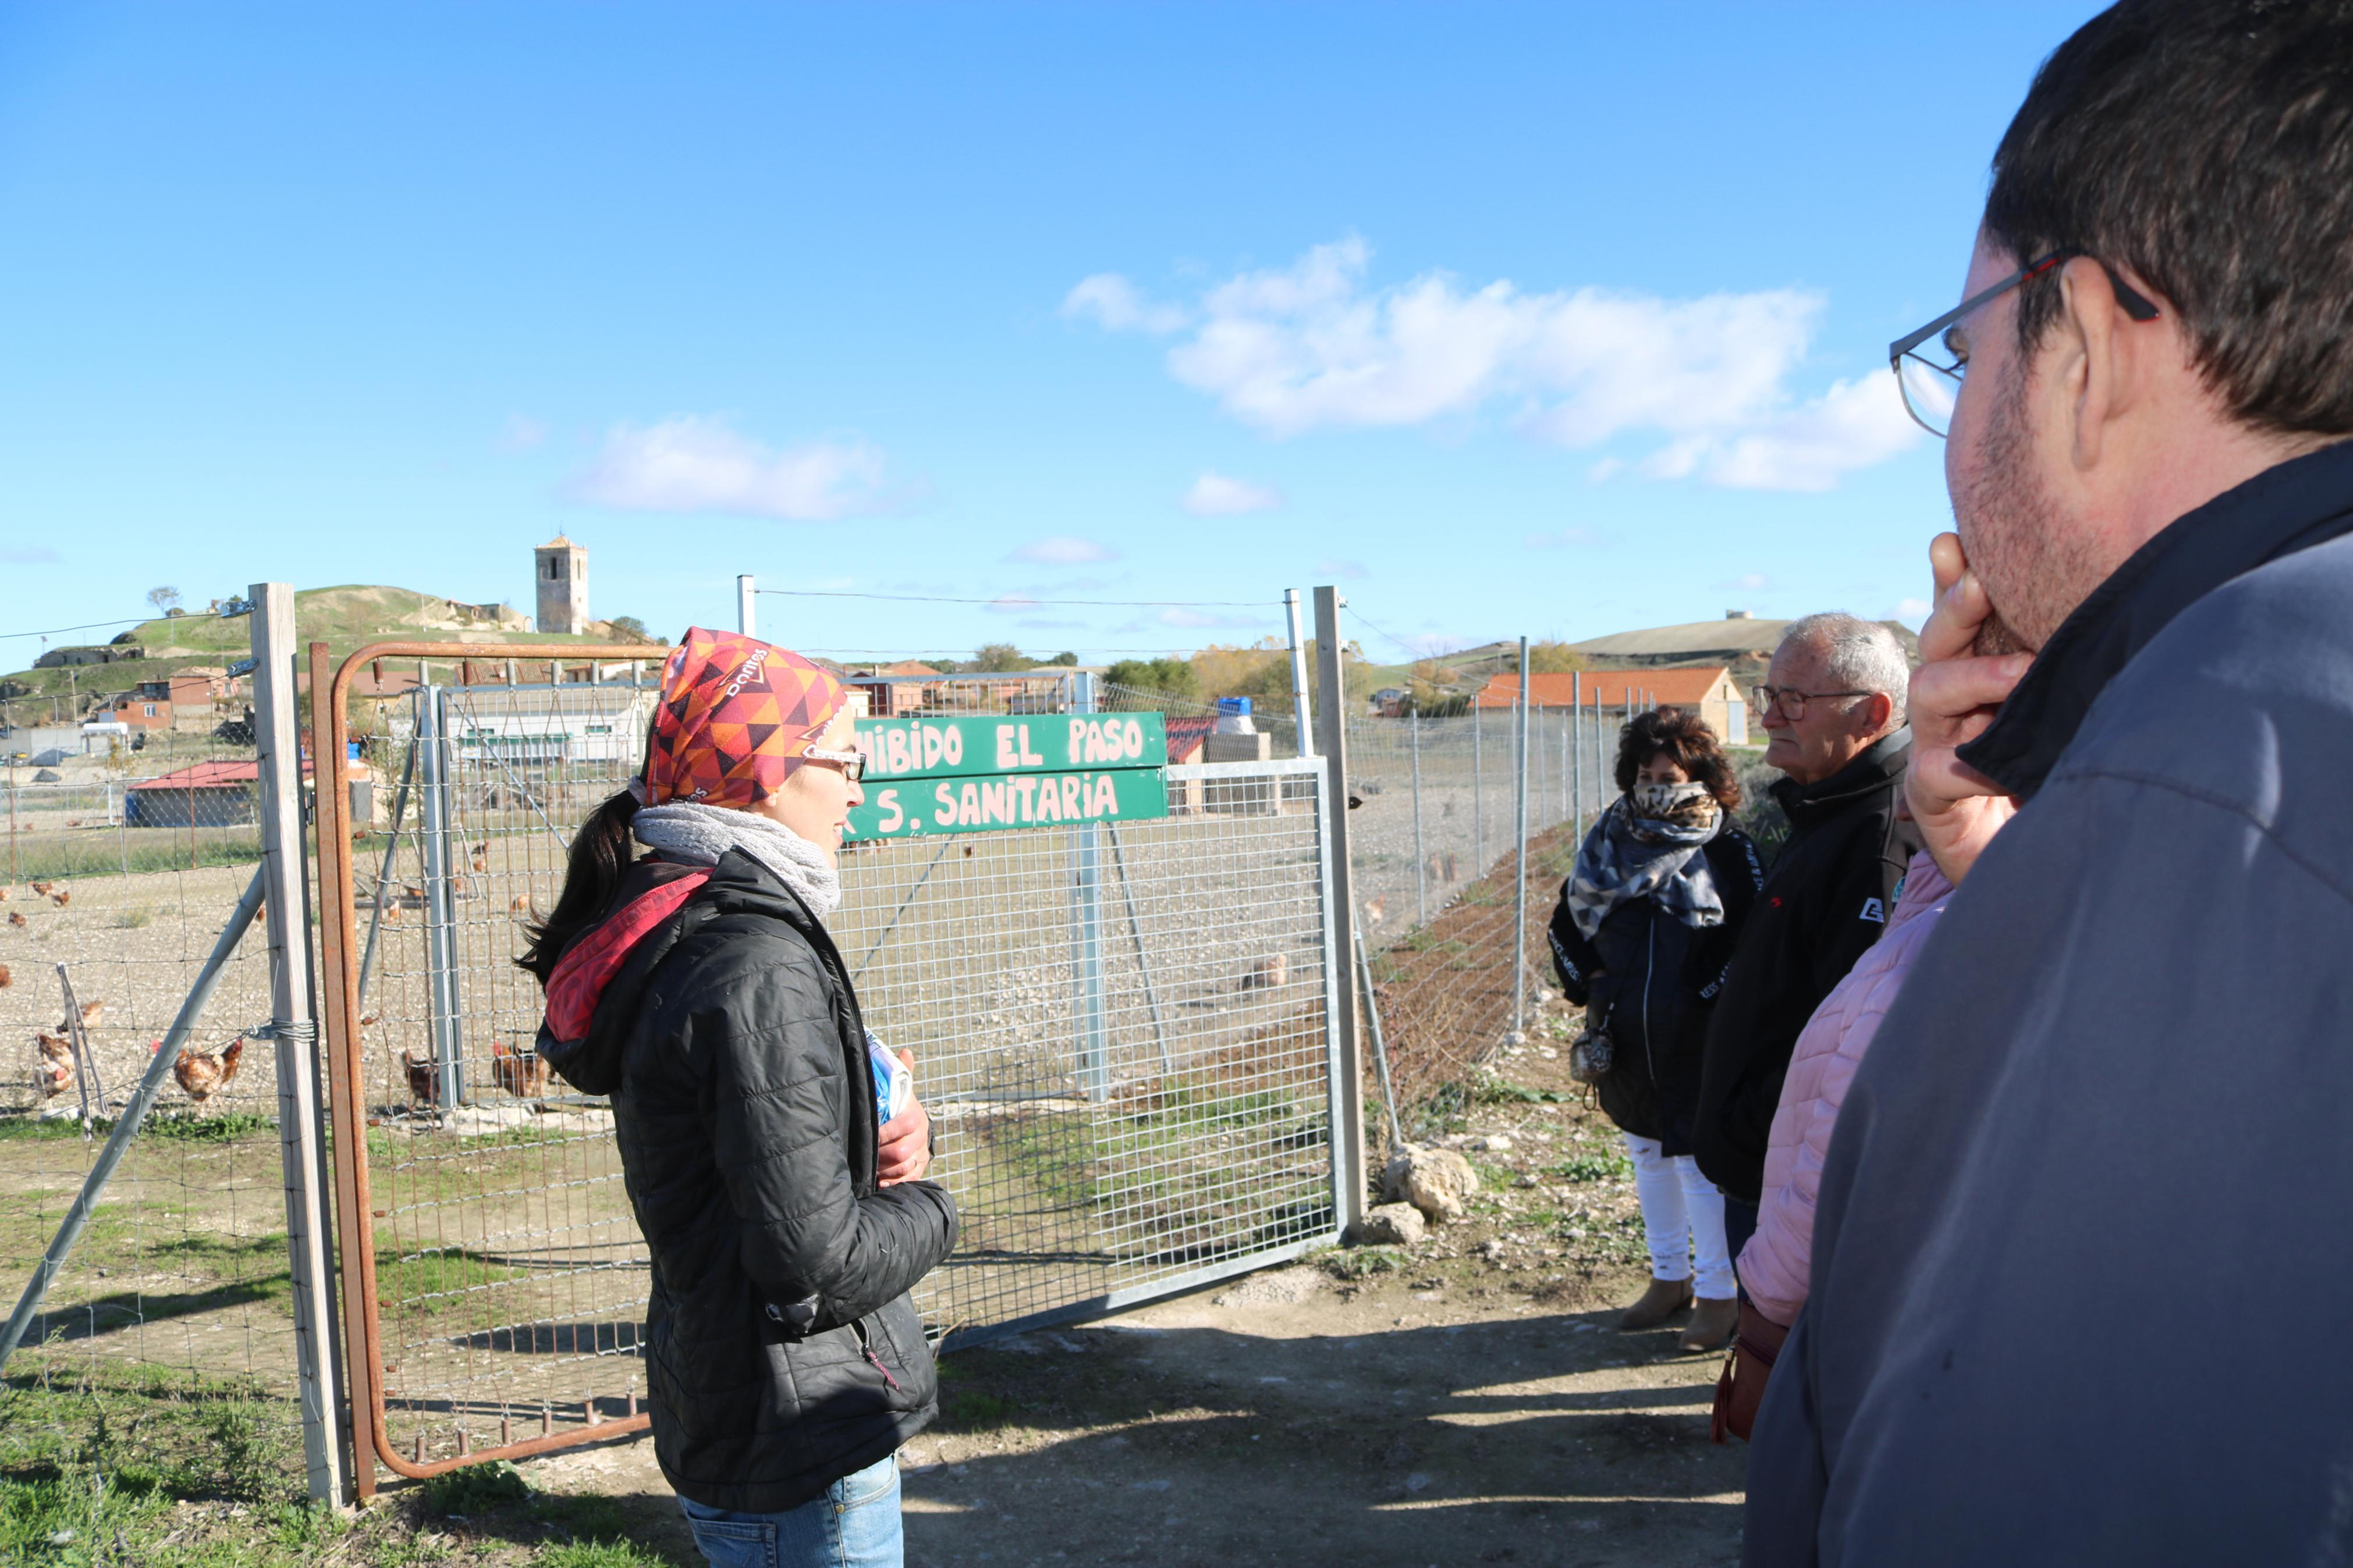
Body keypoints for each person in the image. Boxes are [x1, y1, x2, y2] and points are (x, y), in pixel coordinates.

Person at [1745, 2, 2353, 1559]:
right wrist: (2010, 861)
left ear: (2077, 336)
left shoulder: (2217, 770)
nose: (1954, 432)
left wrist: (2125, 824)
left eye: (1966, 351)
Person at [520, 628, 956, 1568]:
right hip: (794, 1438)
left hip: (738, 1397)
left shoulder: (684, 916)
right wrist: (931, 1206)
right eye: (844, 761)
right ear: (762, 771)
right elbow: (815, 1263)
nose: (856, 790)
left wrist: (853, 1117)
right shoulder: (751, 960)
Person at [1710, 845, 1953, 1441]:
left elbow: (1831, 1158)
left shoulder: (1934, 938)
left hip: (1846, 1315)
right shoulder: (1918, 900)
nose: (1901, 814)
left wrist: (1763, 1318)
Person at [1690, 614, 1912, 1259]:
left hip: (1795, 1185)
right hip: (1768, 1165)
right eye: (1768, 696)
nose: (1768, 717)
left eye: (1794, 699)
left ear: (1870, 712)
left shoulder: (1878, 838)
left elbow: (1858, 1045)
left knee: (1785, 1352)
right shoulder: (1828, 807)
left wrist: (1748, 1129)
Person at [1550, 708, 1764, 1352]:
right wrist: (1586, 981)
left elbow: (1751, 938)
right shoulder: (1608, 836)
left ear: (1700, 773)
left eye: (1669, 774)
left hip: (1698, 1035)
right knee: (1646, 1153)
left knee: (1700, 1164)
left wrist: (1704, 997)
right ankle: (1667, 1278)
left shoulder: (1728, 846)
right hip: (1623, 1028)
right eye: (1644, 773)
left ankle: (1720, 1295)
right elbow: (1566, 918)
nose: (1654, 786)